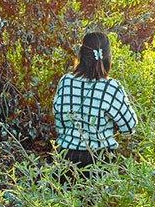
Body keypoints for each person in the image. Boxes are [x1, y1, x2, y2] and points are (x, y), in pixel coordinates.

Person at [53, 31, 138, 168]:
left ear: (81, 54)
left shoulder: (66, 81)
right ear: (107, 57)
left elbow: (59, 121)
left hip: (66, 157)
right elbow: (129, 126)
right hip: (99, 159)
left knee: (65, 189)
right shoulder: (111, 87)